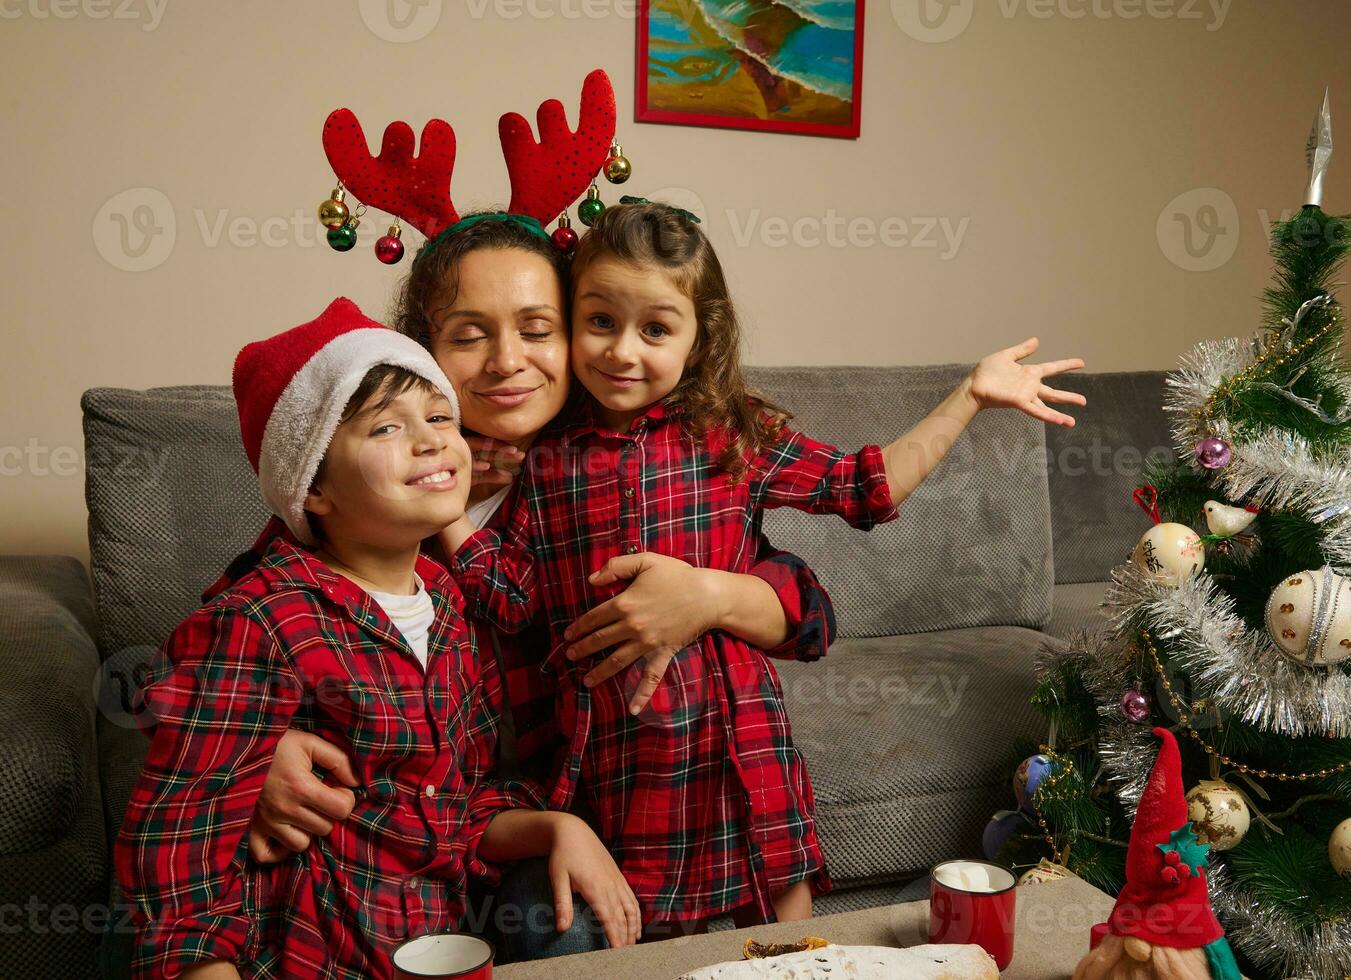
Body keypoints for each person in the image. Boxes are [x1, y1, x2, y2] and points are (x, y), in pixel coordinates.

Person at [440, 201, 1089, 933]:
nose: (622, 351)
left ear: (698, 336)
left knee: (787, 921)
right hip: (614, 754)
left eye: (654, 328)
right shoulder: (549, 458)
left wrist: (968, 395)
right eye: (599, 322)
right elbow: (515, 599)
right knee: (644, 932)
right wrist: (449, 513)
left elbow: (862, 485)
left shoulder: (732, 429)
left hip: (736, 734)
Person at [223, 217, 835, 959]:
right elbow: (208, 650)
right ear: (422, 347)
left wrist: (712, 596)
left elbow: (809, 609)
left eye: (537, 329)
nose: (507, 361)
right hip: (413, 829)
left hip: (569, 806)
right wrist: (260, 748)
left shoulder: (612, 474)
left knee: (571, 923)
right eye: (468, 335)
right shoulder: (378, 493)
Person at [114, 298, 638, 979]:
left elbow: (453, 804)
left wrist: (556, 826)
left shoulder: (447, 604)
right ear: (315, 491)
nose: (429, 441)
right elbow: (177, 844)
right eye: (386, 427)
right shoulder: (263, 617)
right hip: (308, 951)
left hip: (434, 942)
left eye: (439, 418)